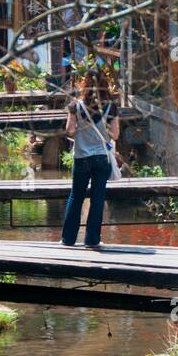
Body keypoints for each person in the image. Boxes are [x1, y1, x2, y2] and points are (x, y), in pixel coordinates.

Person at [60, 70, 120, 250]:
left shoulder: (75, 106)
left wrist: (79, 126)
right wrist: (105, 132)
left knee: (75, 197)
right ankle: (92, 240)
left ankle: (68, 239)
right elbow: (115, 134)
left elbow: (70, 131)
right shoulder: (110, 107)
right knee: (97, 199)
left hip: (81, 158)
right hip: (101, 159)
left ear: (84, 84)